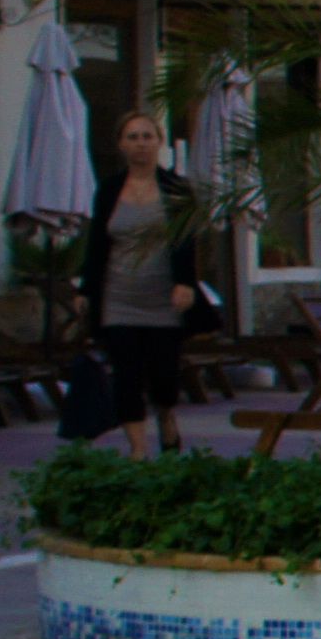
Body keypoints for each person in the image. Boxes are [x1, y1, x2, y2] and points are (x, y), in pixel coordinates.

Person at [76, 109, 209, 457]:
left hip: (163, 299)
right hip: (118, 297)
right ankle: (138, 449)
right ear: (121, 144)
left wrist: (185, 283)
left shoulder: (177, 188)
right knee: (126, 375)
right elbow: (98, 244)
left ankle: (166, 416)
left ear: (159, 142)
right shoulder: (108, 190)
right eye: (132, 137)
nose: (141, 144)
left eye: (147, 136)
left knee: (164, 376)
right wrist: (86, 289)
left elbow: (186, 240)